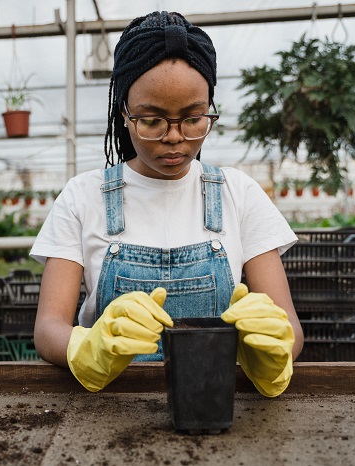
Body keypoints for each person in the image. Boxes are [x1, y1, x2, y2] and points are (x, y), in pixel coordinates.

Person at [30, 11, 303, 397]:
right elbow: (47, 328)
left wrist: (272, 350)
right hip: (111, 409)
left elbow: (289, 327)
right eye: (152, 120)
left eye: (193, 118)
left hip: (213, 402)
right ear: (123, 113)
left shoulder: (238, 193)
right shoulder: (83, 196)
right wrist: (87, 347)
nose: (175, 137)